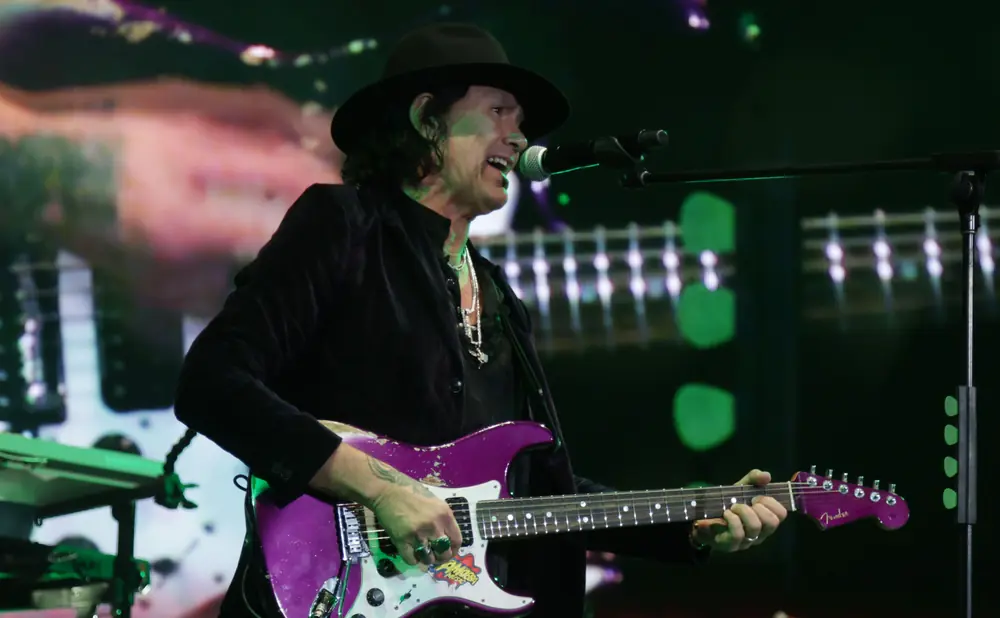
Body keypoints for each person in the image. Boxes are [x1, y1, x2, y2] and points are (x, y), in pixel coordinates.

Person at [172, 22, 788, 618]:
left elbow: (538, 491)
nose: (519, 139)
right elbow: (212, 381)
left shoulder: (495, 293)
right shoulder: (345, 227)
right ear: (425, 119)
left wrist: (693, 526)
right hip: (333, 589)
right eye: (500, 111)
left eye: (519, 123)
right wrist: (380, 488)